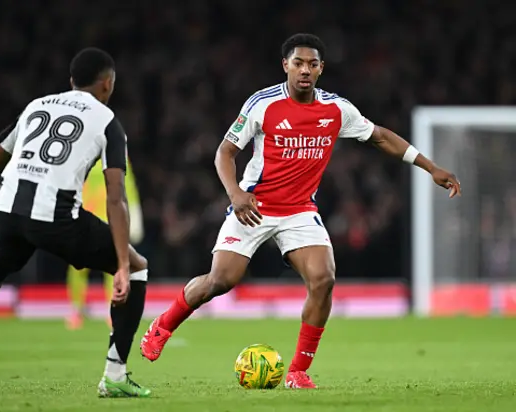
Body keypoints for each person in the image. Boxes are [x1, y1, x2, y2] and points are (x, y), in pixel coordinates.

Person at [140, 33, 462, 389]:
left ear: (321, 69)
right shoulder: (262, 104)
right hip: (254, 206)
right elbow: (224, 153)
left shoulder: (336, 109)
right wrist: (235, 194)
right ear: (285, 66)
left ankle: (297, 371)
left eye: (312, 64)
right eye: (298, 63)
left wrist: (431, 167)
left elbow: (381, 136)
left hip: (299, 211)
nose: (305, 70)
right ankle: (162, 326)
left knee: (324, 279)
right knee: (220, 281)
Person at [0, 47, 151, 400]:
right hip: (58, 218)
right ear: (108, 84)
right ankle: (115, 374)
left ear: (70, 82)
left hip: (7, 215)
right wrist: (122, 266)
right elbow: (115, 197)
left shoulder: (37, 106)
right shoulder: (109, 122)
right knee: (139, 268)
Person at [66, 155, 144, 330]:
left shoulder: (118, 153)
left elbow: (128, 185)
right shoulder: (81, 150)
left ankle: (113, 310)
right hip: (82, 217)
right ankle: (76, 309)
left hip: (110, 220)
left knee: (113, 268)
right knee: (78, 268)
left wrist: (134, 212)